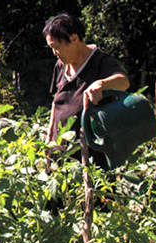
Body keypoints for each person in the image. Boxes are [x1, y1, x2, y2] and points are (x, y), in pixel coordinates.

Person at [44, 13, 129, 145]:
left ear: (74, 38)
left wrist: (102, 84)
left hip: (89, 149)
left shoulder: (100, 61)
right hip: (59, 149)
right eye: (52, 48)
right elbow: (56, 101)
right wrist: (50, 132)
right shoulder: (60, 65)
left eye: (57, 47)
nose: (54, 53)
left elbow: (123, 81)